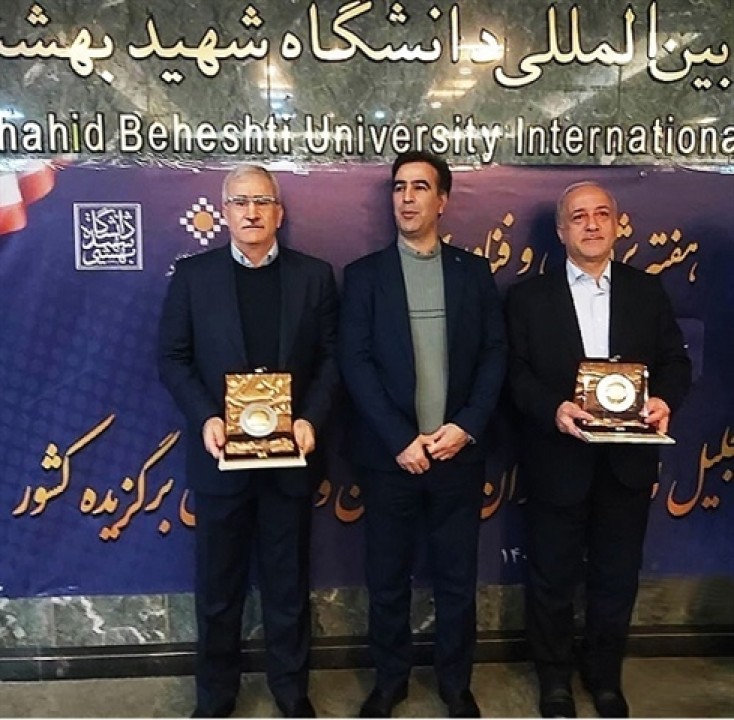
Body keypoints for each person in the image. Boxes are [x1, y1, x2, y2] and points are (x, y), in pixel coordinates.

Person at [505, 181, 692, 718]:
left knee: (616, 578)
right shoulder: (527, 298)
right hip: (556, 459)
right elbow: (514, 374)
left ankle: (605, 677)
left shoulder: (647, 291)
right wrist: (553, 409)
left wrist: (664, 399)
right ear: (561, 230)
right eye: (579, 216)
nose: (591, 224)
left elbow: (675, 362)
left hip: (627, 465)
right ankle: (554, 681)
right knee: (552, 578)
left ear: (616, 224)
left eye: (601, 214)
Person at [158, 164, 338, 718]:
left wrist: (311, 418)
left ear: (279, 212)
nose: (252, 212)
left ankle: (291, 692)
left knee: (287, 585)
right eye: (240, 203)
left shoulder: (314, 276)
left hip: (290, 458)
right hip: (220, 460)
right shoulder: (193, 277)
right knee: (218, 589)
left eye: (262, 202)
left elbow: (333, 359)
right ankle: (216, 696)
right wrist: (206, 417)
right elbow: (173, 357)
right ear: (224, 212)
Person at [338, 151, 507, 718]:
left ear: (443, 201)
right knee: (387, 580)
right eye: (398, 187)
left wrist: (466, 426)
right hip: (392, 459)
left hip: (457, 454)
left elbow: (494, 354)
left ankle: (456, 684)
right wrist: (399, 439)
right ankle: (390, 682)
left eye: (420, 187)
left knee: (457, 582)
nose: (407, 197)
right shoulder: (364, 276)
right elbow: (356, 362)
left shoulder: (473, 273)